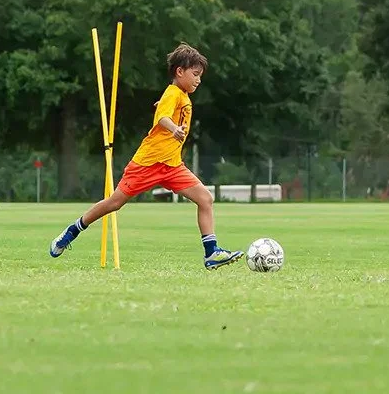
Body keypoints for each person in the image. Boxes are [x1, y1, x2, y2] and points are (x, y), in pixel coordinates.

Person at [49, 43, 244, 270]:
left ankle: (212, 253)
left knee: (205, 199)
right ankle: (72, 231)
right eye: (195, 74)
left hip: (172, 166)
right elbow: (161, 117)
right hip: (148, 164)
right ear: (179, 71)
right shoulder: (173, 93)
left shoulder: (178, 95)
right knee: (114, 203)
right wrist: (173, 128)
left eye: (200, 75)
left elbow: (164, 109)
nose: (199, 80)